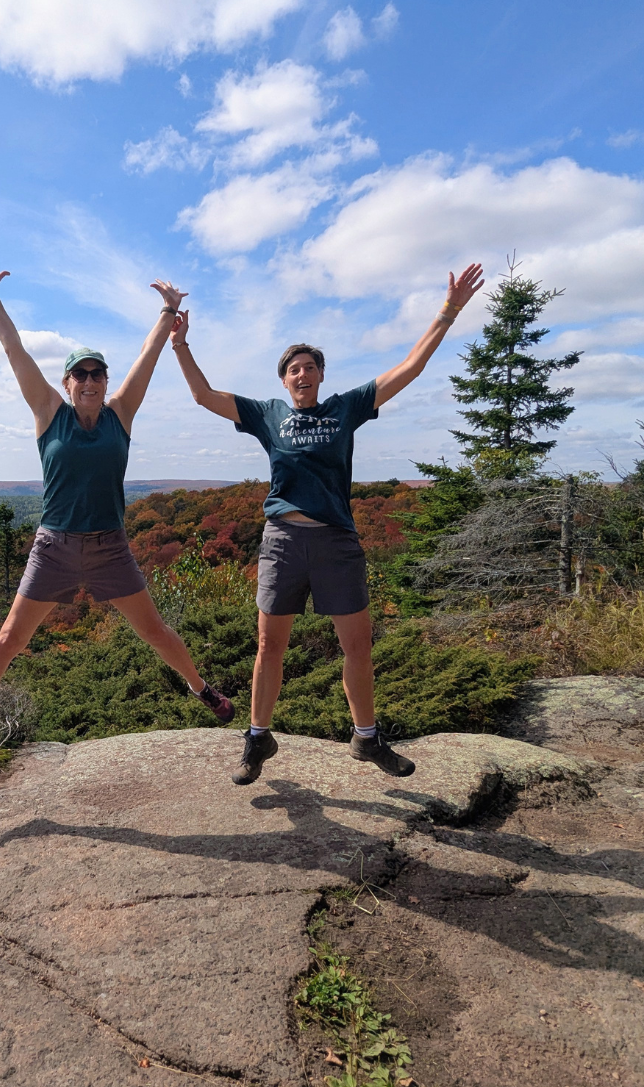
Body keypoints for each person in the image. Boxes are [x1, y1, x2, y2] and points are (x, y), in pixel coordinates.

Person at [168, 264, 485, 784]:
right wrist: (181, 346)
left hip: (337, 540)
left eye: (310, 366)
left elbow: (409, 368)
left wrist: (448, 312)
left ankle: (366, 738)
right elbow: (204, 396)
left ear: (320, 375)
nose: (302, 373)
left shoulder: (346, 409)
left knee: (357, 646)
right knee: (270, 645)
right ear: (283, 378)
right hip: (284, 541)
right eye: (293, 367)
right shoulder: (267, 414)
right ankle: (257, 737)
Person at [0, 269, 235, 743]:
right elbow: (14, 351)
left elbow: (148, 358)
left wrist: (168, 311)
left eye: (97, 373)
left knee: (154, 631)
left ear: (106, 380)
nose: (89, 380)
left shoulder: (121, 413)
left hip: (111, 547)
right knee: (11, 639)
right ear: (66, 383)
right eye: (80, 374)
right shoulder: (49, 413)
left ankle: (201, 688)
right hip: (55, 548)